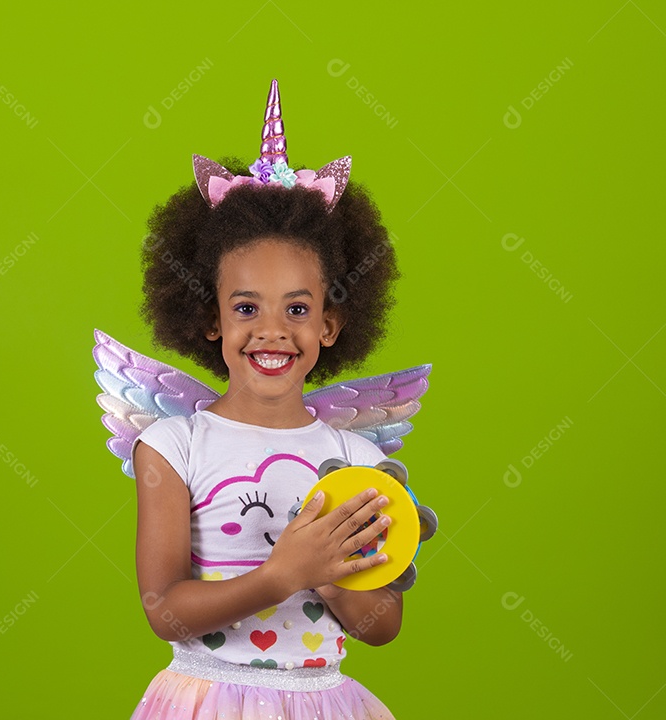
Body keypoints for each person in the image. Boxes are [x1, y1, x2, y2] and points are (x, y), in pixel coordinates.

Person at [101, 79, 426, 719]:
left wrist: (330, 571)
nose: (272, 330)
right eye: (246, 307)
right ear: (210, 318)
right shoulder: (173, 446)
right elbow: (164, 610)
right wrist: (282, 574)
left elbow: (382, 624)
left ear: (330, 325)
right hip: (208, 699)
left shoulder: (353, 454)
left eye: (298, 309)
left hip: (319, 702)